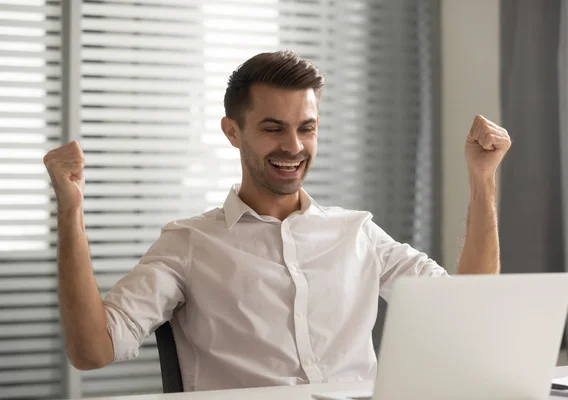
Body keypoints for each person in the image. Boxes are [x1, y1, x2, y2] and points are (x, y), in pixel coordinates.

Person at [43, 50, 511, 392]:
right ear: (233, 131)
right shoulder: (189, 243)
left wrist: (482, 179)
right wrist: (71, 211)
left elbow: (466, 312)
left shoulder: (357, 234)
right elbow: (93, 350)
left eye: (306, 128)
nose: (293, 146)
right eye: (273, 129)